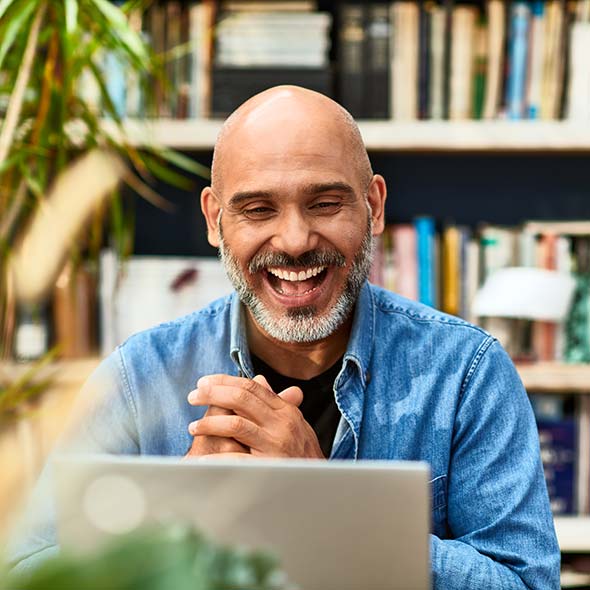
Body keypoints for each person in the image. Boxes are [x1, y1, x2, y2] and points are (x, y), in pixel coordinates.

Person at [8, 86, 560, 588]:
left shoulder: (467, 372)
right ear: (213, 219)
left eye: (325, 203)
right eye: (258, 209)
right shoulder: (138, 376)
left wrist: (323, 504)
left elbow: (527, 585)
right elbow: (28, 573)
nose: (294, 241)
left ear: (374, 207)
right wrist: (170, 521)